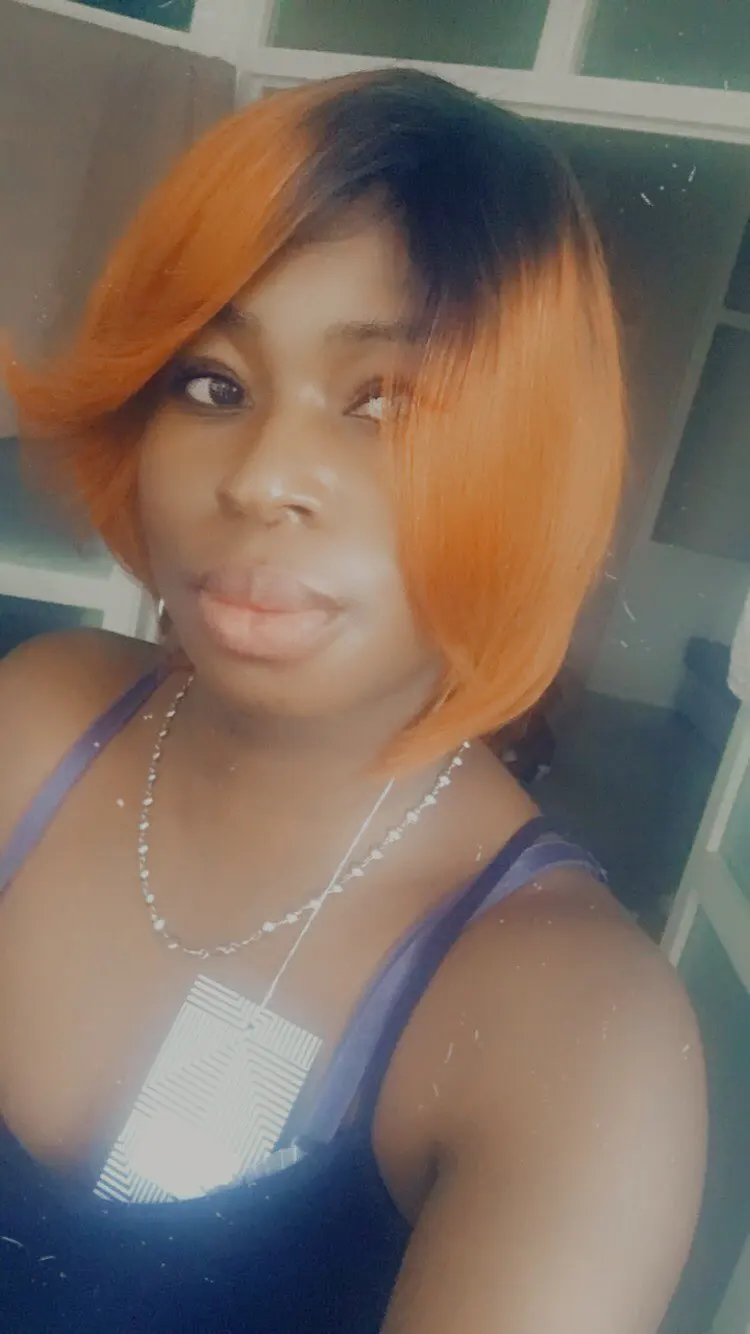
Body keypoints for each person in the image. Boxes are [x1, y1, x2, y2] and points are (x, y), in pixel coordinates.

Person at [0, 69, 705, 1332]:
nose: (263, 476)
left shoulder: (576, 1036)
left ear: (534, 467)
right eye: (214, 382)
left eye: (387, 402)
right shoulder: (38, 718)